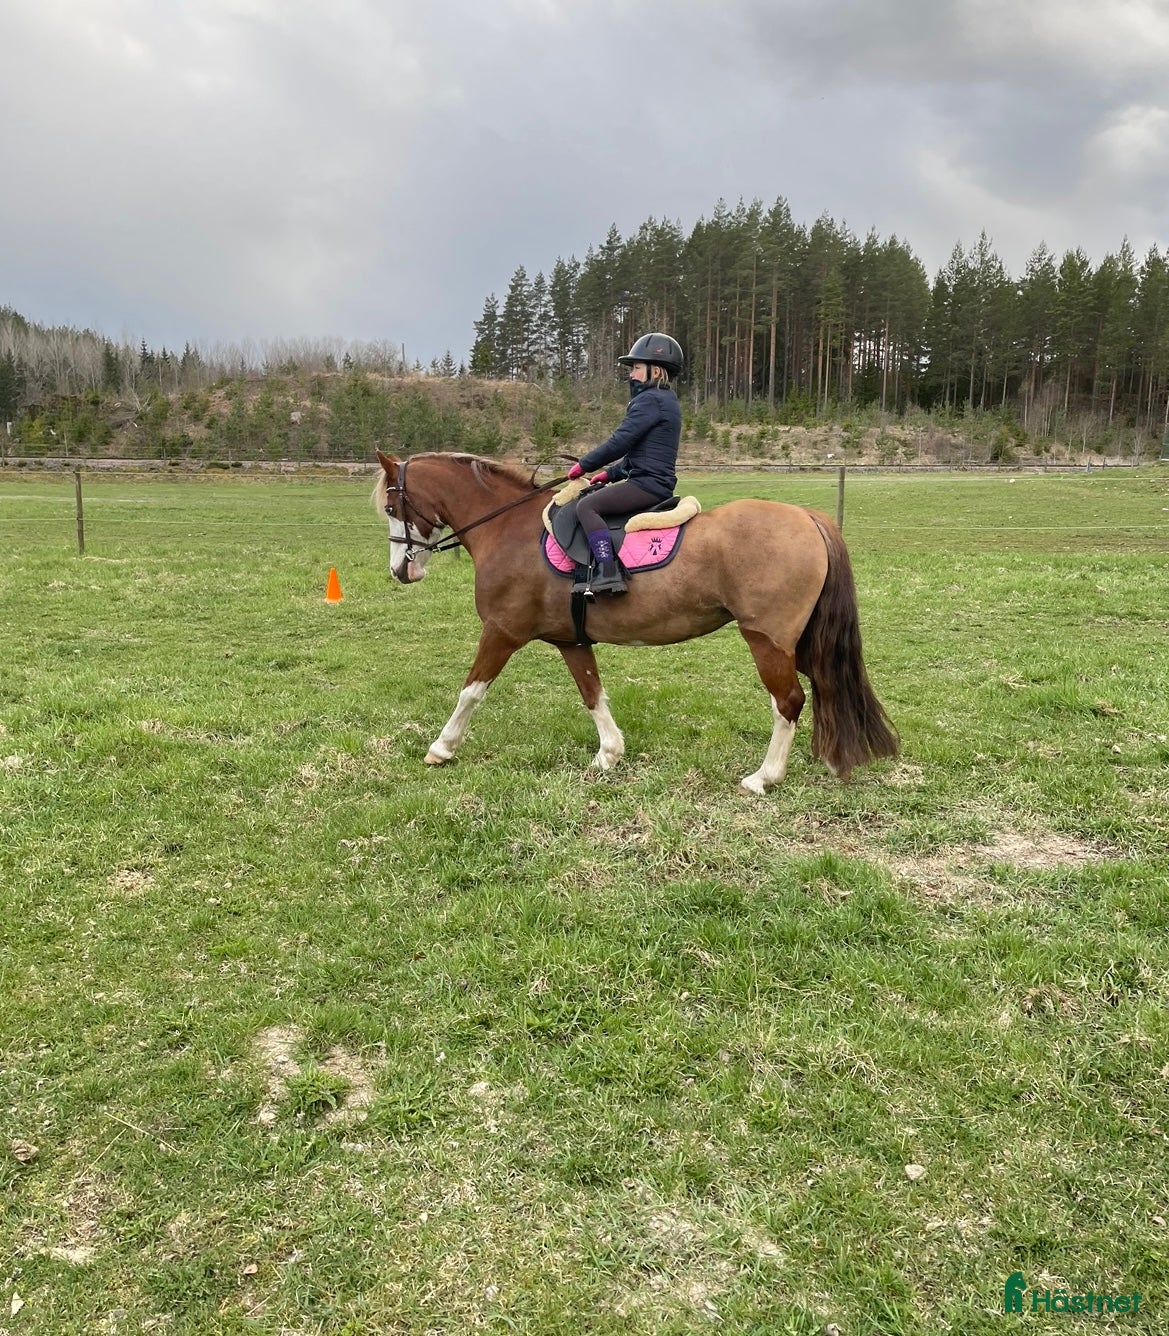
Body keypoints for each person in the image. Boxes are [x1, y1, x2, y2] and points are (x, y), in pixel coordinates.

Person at [566, 332, 684, 595]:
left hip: (648, 484)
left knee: (586, 507)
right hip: (651, 480)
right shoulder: (664, 400)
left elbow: (620, 441)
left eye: (636, 368)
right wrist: (609, 475)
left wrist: (584, 465)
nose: (631, 374)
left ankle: (608, 571)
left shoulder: (650, 400)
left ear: (656, 370)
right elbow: (639, 452)